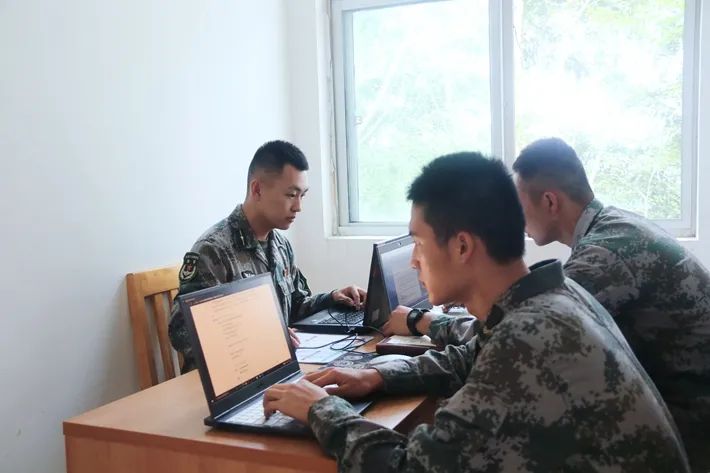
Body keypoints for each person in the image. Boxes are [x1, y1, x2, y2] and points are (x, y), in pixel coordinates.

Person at [262, 152, 689, 472]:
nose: (413, 260)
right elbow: (473, 356)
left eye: (419, 243)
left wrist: (320, 409)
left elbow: (408, 467)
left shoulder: (528, 338)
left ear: (462, 246)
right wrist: (377, 376)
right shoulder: (554, 296)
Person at [168, 140, 365, 373]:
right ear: (257, 190)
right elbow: (183, 331)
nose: (298, 207)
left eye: (302, 195)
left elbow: (295, 306)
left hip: (275, 368)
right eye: (291, 195)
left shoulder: (280, 245)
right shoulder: (213, 250)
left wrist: (332, 298)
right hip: (229, 378)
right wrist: (261, 338)